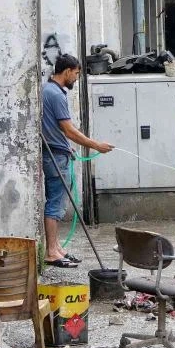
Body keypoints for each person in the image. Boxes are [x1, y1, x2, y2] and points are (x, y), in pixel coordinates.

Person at [42, 54, 114, 268]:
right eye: (76, 73)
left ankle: (57, 248)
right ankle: (51, 252)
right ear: (67, 72)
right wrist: (96, 145)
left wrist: (67, 147)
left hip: (57, 152)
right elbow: (69, 130)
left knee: (56, 201)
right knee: (54, 204)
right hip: (55, 157)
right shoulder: (55, 94)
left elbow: (56, 130)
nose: (76, 78)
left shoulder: (48, 90)